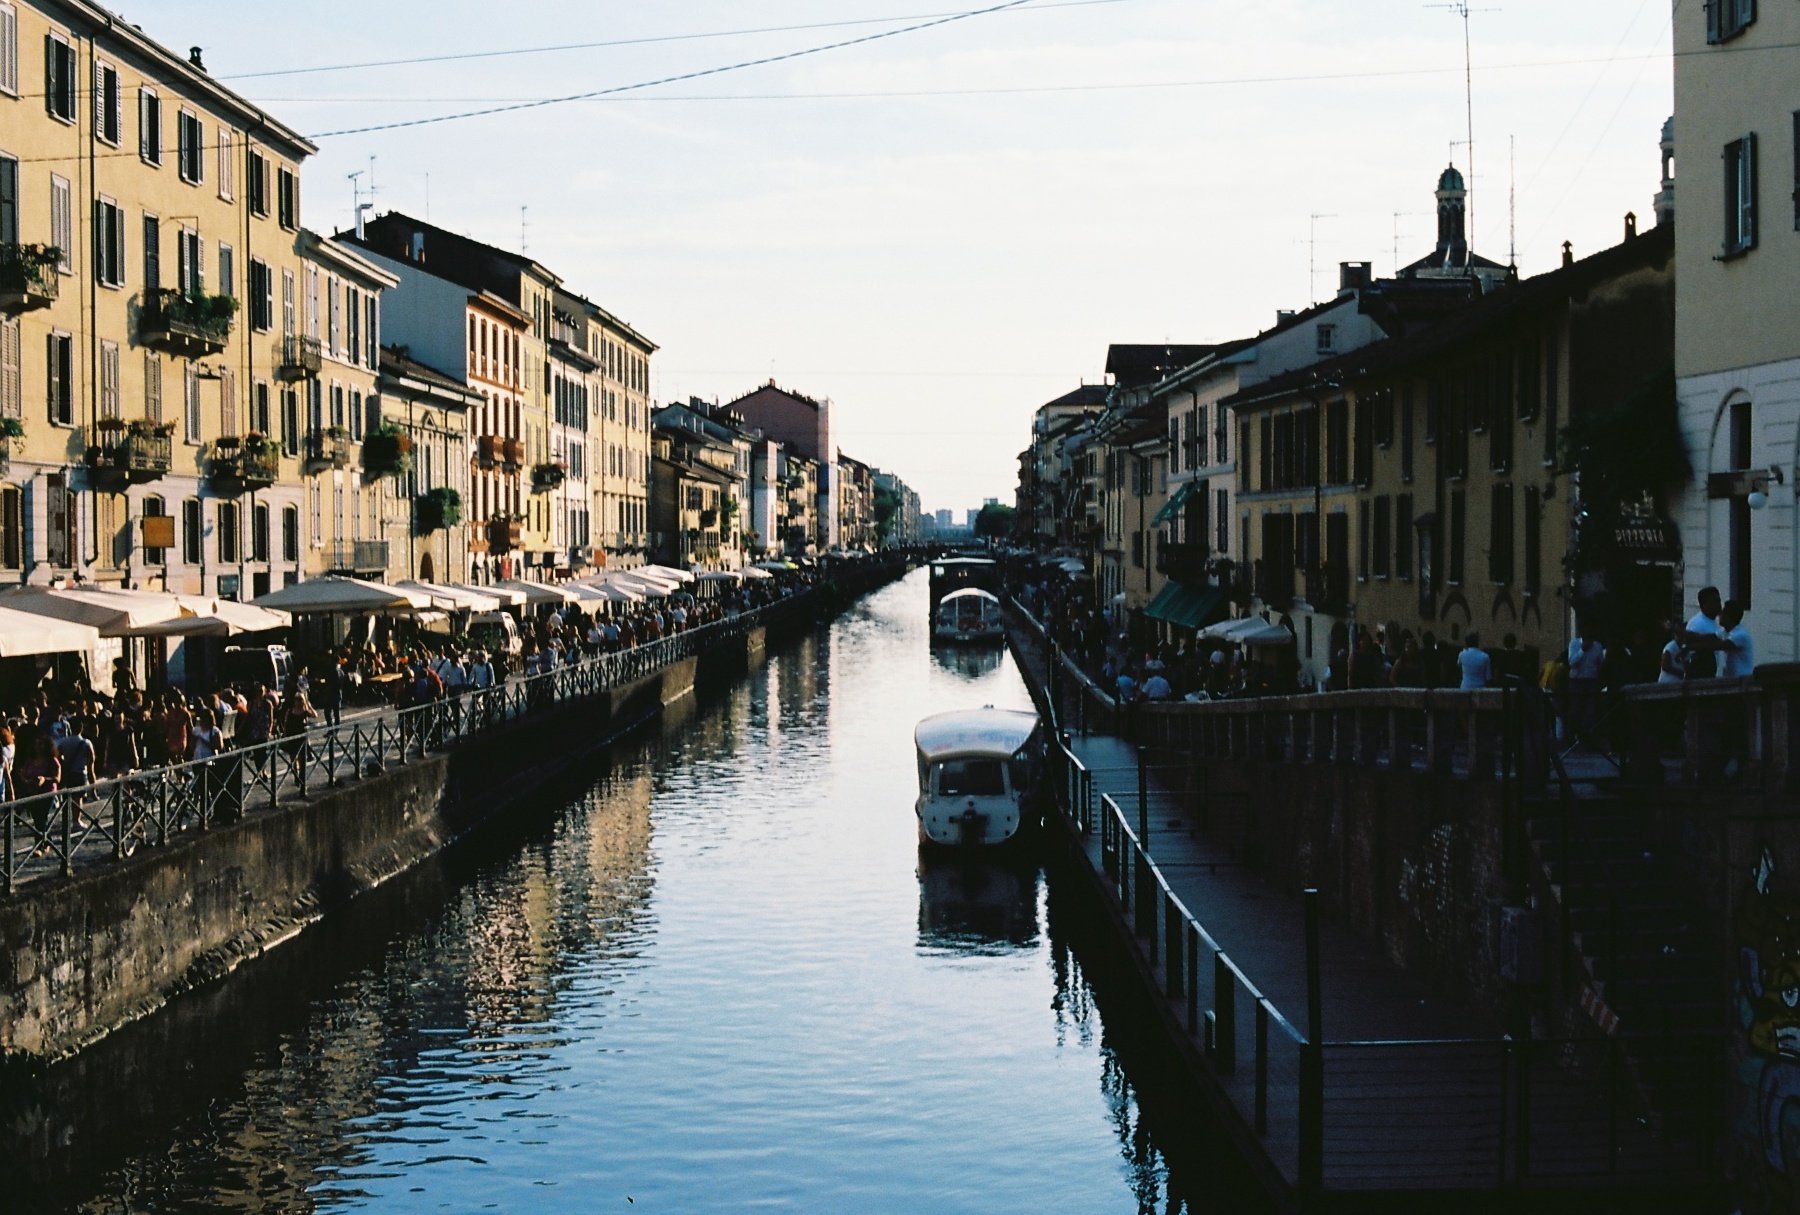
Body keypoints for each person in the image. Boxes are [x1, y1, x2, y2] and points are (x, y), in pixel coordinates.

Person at [1567, 624, 1607, 746]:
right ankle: (1571, 739)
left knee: (1590, 711)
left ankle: (1589, 740)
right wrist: (1582, 650)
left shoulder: (1598, 646)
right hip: (1576, 681)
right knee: (1575, 711)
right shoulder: (1574, 644)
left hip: (1591, 681)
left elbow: (1600, 664)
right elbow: (1572, 662)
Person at [1685, 586, 1728, 679]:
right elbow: (1691, 655)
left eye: (1719, 600)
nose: (1718, 604)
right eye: (1714, 602)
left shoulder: (1717, 622)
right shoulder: (1697, 624)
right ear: (1703, 605)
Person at [1722, 600, 1755, 678]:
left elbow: (1721, 645)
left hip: (1743, 682)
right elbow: (1711, 637)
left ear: (1727, 617)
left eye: (1722, 613)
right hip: (1733, 679)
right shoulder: (1725, 631)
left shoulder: (1740, 635)